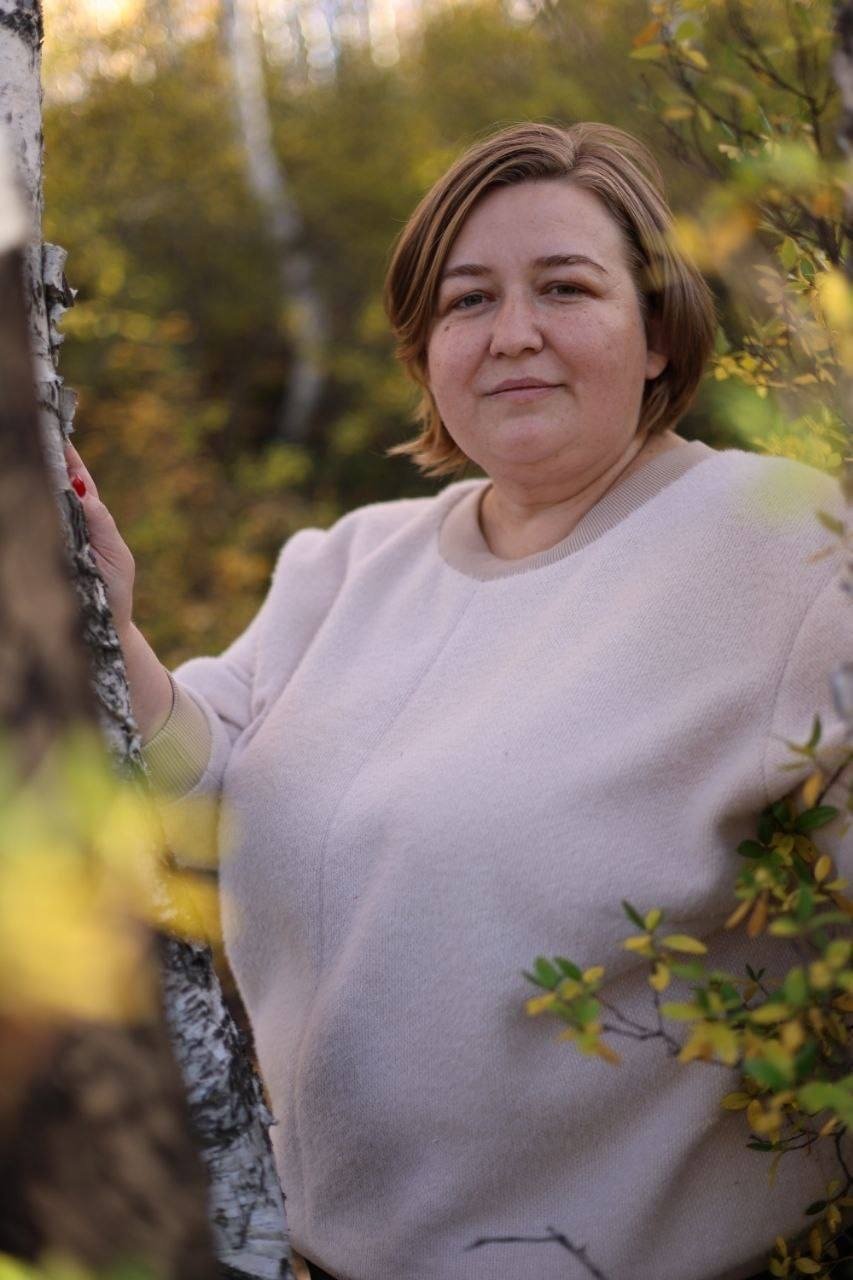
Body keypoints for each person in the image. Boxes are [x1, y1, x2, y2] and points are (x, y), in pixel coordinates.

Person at [66, 122, 849, 1280]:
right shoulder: (347, 561)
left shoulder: (787, 548)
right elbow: (196, 771)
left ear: (655, 330)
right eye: (467, 299)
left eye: (565, 287)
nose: (512, 332)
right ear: (426, 348)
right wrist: (105, 617)